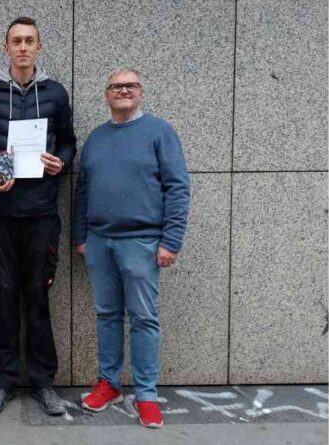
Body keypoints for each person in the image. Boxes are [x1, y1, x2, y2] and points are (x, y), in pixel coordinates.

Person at [0, 16, 76, 416]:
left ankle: (44, 383)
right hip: (0, 213)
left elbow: (68, 142)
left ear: (39, 47)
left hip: (43, 212)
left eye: (30, 40)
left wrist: (59, 162)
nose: (24, 47)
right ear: (6, 47)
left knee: (39, 298)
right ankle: (3, 382)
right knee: (4, 297)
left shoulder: (56, 93)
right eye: (17, 41)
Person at [72, 68, 191, 429]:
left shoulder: (160, 132)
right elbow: (82, 190)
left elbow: (178, 187)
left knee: (143, 318)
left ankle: (146, 394)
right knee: (107, 315)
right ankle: (109, 383)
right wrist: (81, 236)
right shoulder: (95, 138)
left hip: (142, 242)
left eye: (131, 85)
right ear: (106, 95)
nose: (123, 91)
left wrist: (171, 241)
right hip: (99, 242)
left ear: (140, 93)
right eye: (116, 86)